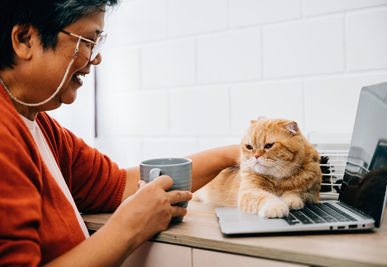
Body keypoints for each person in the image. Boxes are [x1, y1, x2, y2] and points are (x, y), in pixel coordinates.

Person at [0, 1, 239, 266]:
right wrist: (129, 228)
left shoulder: (42, 127)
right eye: (88, 41)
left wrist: (234, 154)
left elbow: (120, 184)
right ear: (24, 40)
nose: (97, 57)